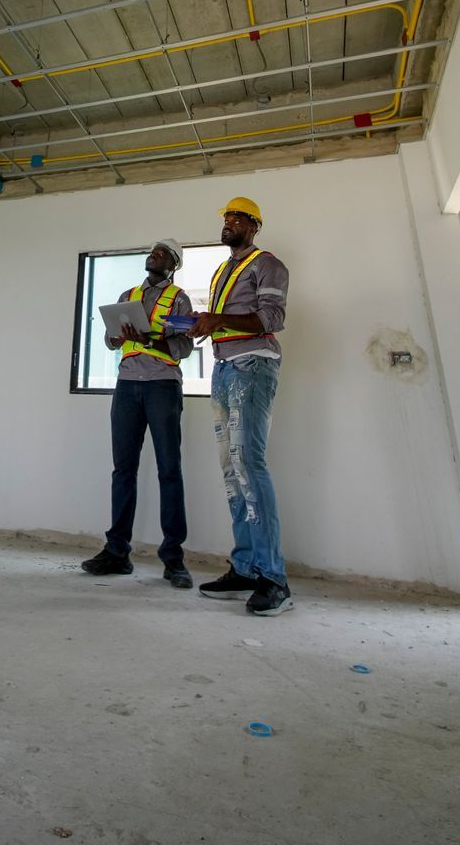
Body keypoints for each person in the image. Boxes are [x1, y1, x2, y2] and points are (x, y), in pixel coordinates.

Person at [188, 197, 293, 616]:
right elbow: (226, 319)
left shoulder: (268, 263)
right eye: (225, 218)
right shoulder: (222, 270)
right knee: (232, 469)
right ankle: (246, 567)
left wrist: (219, 321)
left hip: (254, 364)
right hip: (225, 368)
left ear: (254, 226)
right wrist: (206, 321)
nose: (228, 223)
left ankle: (274, 579)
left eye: (236, 218)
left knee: (250, 463)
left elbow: (271, 318)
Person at [80, 240, 196, 588]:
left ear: (172, 264)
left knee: (169, 471)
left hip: (162, 386)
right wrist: (119, 337)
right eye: (152, 252)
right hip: (127, 386)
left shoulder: (179, 299)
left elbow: (184, 345)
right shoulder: (127, 295)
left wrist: (147, 340)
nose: (153, 255)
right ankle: (117, 552)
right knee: (123, 470)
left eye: (161, 253)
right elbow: (109, 341)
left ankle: (173, 559)